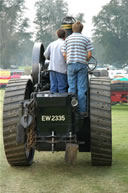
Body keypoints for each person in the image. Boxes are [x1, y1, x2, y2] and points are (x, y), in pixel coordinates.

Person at [62, 21, 94, 116]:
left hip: (71, 65)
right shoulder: (86, 39)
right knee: (82, 88)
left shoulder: (67, 39)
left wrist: (68, 61)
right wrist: (86, 60)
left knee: (71, 88)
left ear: (72, 29)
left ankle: (71, 110)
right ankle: (82, 111)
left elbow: (64, 53)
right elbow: (89, 54)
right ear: (81, 29)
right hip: (82, 65)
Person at [44, 28, 67, 93]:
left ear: (57, 35)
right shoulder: (65, 44)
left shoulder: (52, 44)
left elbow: (45, 54)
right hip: (61, 69)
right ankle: (62, 102)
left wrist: (50, 58)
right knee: (62, 87)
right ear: (65, 35)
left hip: (52, 68)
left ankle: (52, 101)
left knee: (53, 86)